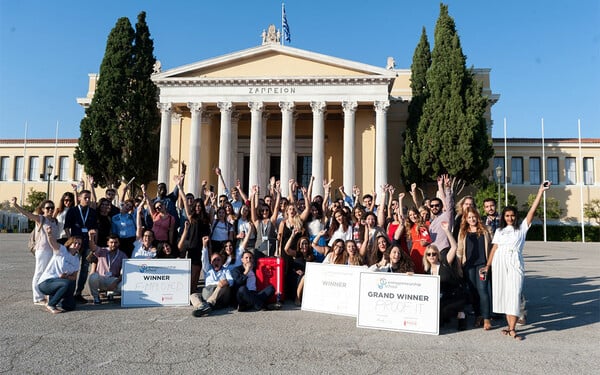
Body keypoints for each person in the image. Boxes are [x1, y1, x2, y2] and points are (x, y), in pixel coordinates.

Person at [482, 181, 551, 341]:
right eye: (507, 215)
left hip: (515, 264)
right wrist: (487, 266)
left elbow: (532, 211)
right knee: (505, 295)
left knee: (514, 293)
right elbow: (494, 248)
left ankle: (512, 328)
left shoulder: (521, 229)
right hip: (499, 264)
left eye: (512, 215)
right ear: (503, 217)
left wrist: (540, 191)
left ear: (516, 216)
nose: (510, 218)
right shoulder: (499, 231)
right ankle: (510, 327)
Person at [10, 197, 59, 305]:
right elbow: (27, 214)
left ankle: (47, 294)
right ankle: (37, 298)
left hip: (52, 250)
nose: (50, 210)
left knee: (49, 273)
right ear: (43, 209)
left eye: (52, 208)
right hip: (42, 250)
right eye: (48, 208)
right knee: (39, 272)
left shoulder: (55, 221)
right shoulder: (40, 219)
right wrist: (15, 205)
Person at [423, 221, 467, 330]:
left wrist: (447, 230)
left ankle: (461, 315)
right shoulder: (427, 270)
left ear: (438, 255)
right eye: (429, 254)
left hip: (453, 296)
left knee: (444, 311)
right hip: (439, 298)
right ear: (426, 257)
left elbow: (454, 247)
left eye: (434, 254)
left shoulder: (445, 262)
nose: (432, 256)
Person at [456, 206, 493, 330]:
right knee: (473, 291)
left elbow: (493, 247)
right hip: (469, 266)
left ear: (478, 217)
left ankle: (487, 318)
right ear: (465, 219)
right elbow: (460, 250)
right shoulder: (463, 232)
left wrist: (490, 264)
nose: (472, 219)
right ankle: (478, 316)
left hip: (483, 265)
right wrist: (459, 266)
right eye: (469, 217)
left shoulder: (486, 230)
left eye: (474, 217)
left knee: (483, 290)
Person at [64, 189, 98, 303]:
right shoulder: (72, 211)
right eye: (85, 198)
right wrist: (70, 241)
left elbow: (95, 229)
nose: (88, 200)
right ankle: (69, 293)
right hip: (76, 245)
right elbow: (66, 227)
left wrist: (94, 244)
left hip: (88, 244)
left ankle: (78, 293)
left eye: (89, 198)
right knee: (73, 268)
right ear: (79, 198)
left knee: (84, 269)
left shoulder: (92, 212)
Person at [37, 227, 81, 313]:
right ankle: (51, 305)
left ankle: (59, 300)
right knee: (66, 283)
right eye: (75, 243)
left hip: (61, 282)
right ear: (70, 243)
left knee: (70, 306)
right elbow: (53, 243)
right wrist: (49, 234)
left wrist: (66, 276)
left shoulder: (76, 259)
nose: (77, 245)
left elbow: (74, 277)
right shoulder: (62, 250)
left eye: (79, 244)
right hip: (46, 283)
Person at [191, 236, 234, 317]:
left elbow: (231, 281)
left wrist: (226, 282)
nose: (216, 262)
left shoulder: (226, 270)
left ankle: (209, 304)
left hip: (222, 295)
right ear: (211, 262)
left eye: (218, 260)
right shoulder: (207, 269)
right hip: (208, 291)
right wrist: (204, 246)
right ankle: (201, 307)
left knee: (223, 284)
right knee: (193, 295)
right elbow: (204, 258)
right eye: (214, 260)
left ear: (221, 261)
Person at [87, 231, 128, 305]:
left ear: (119, 243)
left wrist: (115, 283)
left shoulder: (122, 255)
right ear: (107, 243)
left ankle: (111, 293)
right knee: (93, 277)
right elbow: (92, 247)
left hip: (113, 279)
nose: (113, 244)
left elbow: (124, 271)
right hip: (101, 278)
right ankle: (96, 297)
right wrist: (91, 237)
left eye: (116, 242)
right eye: (111, 242)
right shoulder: (101, 250)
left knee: (123, 285)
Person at [406, 207, 431, 274]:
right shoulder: (411, 226)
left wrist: (424, 242)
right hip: (414, 250)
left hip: (422, 250)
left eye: (414, 214)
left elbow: (428, 239)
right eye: (410, 215)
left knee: (421, 270)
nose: (412, 216)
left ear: (418, 214)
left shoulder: (422, 225)